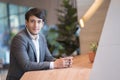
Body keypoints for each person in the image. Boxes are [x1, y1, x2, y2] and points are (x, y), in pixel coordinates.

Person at [6, 8, 73, 80]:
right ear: (26, 22)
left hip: (35, 77)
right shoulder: (19, 39)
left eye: (39, 22)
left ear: (42, 24)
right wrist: (55, 64)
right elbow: (26, 65)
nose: (36, 25)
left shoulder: (41, 37)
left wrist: (63, 62)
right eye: (32, 21)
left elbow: (48, 58)